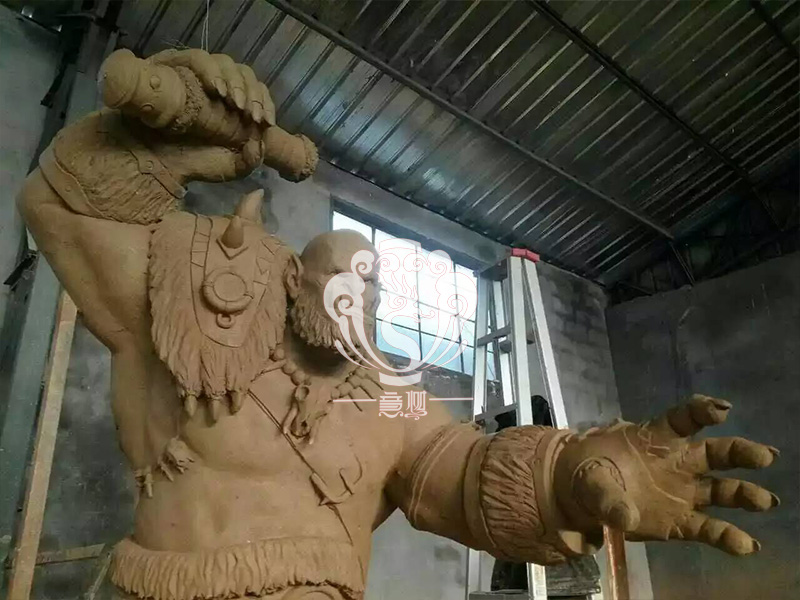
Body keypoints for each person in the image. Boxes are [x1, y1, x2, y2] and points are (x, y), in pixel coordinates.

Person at [17, 49, 780, 600]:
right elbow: (60, 206)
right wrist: (156, 150)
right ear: (293, 277)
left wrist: (568, 478)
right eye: (338, 278)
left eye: (371, 285)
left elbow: (468, 479)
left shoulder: (391, 401)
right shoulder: (193, 312)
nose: (356, 298)